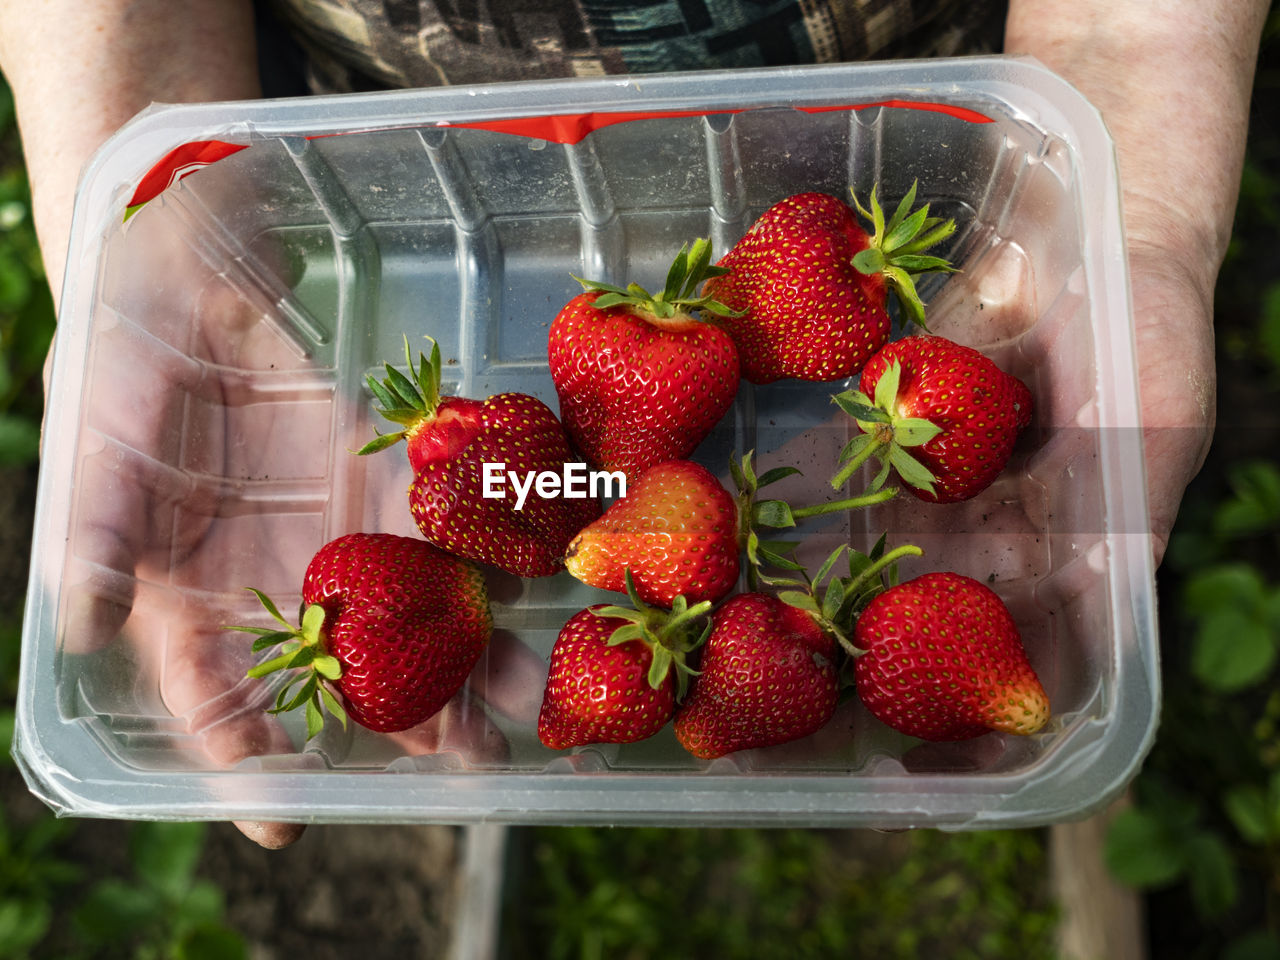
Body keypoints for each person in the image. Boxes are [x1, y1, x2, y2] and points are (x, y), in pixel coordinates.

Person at [0, 0, 1270, 849]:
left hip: (934, 119)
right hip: (397, 117)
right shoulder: (571, 461)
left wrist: (1133, 213)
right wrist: (146, 196)